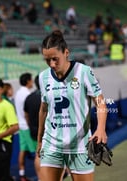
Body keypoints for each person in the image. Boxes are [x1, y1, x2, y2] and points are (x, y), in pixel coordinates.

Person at [37, 30, 108, 181]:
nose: (52, 64)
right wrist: (39, 140)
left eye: (55, 59)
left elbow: (100, 102)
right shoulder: (43, 77)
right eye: (47, 60)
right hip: (52, 144)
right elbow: (43, 109)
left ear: (66, 53)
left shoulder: (84, 72)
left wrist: (101, 129)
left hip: (80, 144)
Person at [14, 73, 35, 181]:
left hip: (21, 126)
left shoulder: (18, 93)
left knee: (22, 150)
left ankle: (21, 174)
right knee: (38, 152)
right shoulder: (27, 94)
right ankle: (42, 175)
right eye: (31, 80)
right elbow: (28, 112)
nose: (32, 82)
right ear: (27, 81)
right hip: (27, 126)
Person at [23, 75, 42, 181]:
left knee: (38, 155)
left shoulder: (29, 97)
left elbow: (26, 114)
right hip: (48, 131)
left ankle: (40, 178)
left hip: (34, 130)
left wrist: (30, 125)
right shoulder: (48, 96)